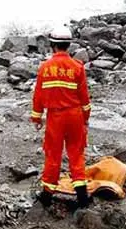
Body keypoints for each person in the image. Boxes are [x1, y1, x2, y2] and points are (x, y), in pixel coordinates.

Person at [30, 26, 92, 208]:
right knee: (76, 153)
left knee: (53, 154)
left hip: (55, 117)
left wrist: (37, 117)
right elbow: (84, 99)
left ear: (52, 45)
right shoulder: (77, 67)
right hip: (75, 116)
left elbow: (38, 95)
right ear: (68, 45)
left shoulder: (45, 68)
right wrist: (85, 119)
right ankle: (82, 196)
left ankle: (47, 194)